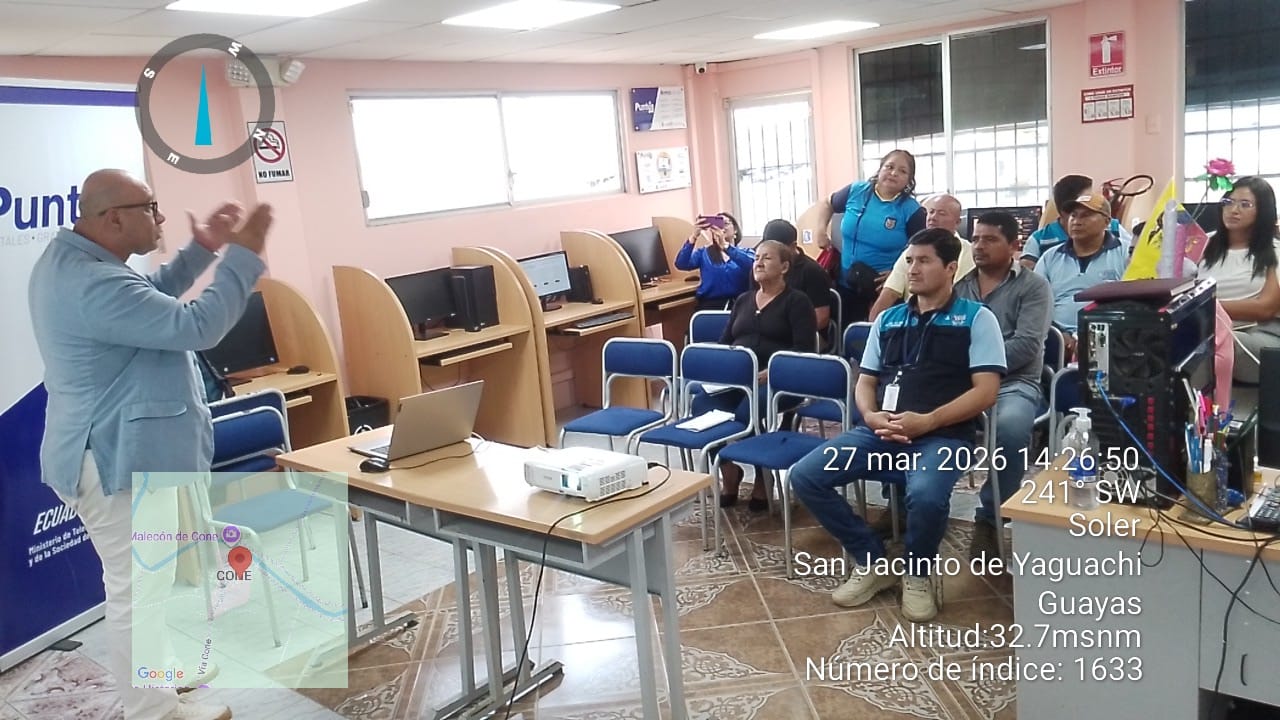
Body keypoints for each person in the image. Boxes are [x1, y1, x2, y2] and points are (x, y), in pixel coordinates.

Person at [28, 169, 272, 720]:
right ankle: (153, 710)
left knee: (145, 585)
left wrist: (203, 248)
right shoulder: (91, 281)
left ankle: (156, 675)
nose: (160, 217)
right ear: (114, 218)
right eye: (150, 206)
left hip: (117, 454)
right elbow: (197, 326)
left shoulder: (82, 265)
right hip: (113, 462)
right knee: (137, 592)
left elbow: (148, 299)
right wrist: (242, 257)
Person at [789, 228, 1005, 622]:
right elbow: (866, 382)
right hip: (882, 431)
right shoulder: (889, 319)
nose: (912, 269)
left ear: (951, 267)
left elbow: (986, 391)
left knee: (925, 495)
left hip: (943, 437)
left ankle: (918, 573)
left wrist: (929, 421)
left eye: (923, 261)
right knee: (806, 476)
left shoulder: (977, 319)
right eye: (909, 261)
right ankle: (872, 560)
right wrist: (871, 415)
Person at [954, 212, 1053, 560]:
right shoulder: (960, 286)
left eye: (990, 239)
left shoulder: (1033, 286)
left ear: (1014, 245)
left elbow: (1026, 345)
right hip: (961, 380)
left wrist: (977, 366)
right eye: (976, 239)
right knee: (907, 411)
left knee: (1010, 429)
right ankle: (906, 506)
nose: (979, 246)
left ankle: (990, 518)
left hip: (1014, 381)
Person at [698, 239, 816, 510]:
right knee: (702, 405)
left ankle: (763, 477)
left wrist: (770, 371)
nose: (758, 263)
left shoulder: (797, 301)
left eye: (767, 258)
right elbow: (725, 342)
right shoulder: (743, 300)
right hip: (739, 379)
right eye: (756, 258)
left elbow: (804, 350)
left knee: (746, 412)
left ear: (784, 267)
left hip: (780, 380)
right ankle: (729, 469)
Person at [813, 149, 927, 323]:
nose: (894, 173)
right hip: (846, 283)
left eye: (902, 171)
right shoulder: (857, 191)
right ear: (880, 169)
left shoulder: (912, 210)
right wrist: (820, 231)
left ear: (909, 180)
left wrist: (899, 273)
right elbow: (826, 203)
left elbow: (921, 249)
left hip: (884, 290)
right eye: (889, 167)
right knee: (848, 333)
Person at [1196, 176, 1280, 383]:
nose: (1233, 210)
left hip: (1259, 333)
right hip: (1207, 328)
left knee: (1206, 343)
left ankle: (1198, 404)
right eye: (1229, 202)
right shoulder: (1204, 245)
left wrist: (1206, 308)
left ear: (1263, 212)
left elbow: (1265, 308)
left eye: (1245, 204)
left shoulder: (1274, 252)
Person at [1034, 193, 1129, 360]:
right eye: (1073, 215)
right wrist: (1058, 334)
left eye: (1086, 215)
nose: (1076, 221)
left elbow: (1133, 303)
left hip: (1109, 336)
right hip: (1056, 337)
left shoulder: (1125, 253)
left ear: (1107, 222)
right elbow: (1035, 303)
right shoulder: (1050, 257)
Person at [868, 193, 974, 321]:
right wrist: (874, 327)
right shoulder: (911, 251)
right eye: (931, 212)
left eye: (941, 213)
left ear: (957, 222)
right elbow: (889, 293)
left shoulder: (971, 253)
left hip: (956, 320)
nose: (933, 217)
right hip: (912, 320)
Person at [760, 218, 832, 335]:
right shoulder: (761, 270)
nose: (768, 254)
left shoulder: (812, 272)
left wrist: (783, 332)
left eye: (776, 250)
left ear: (793, 246)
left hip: (799, 334)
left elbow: (821, 318)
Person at [675, 212, 753, 311]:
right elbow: (681, 264)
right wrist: (694, 236)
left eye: (725, 223)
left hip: (740, 305)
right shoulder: (704, 253)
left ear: (735, 230)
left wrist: (726, 247)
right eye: (718, 224)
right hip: (710, 305)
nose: (722, 228)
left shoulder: (746, 253)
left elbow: (752, 265)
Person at [1020, 174, 1094, 269]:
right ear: (1066, 211)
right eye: (1089, 202)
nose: (1096, 206)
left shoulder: (1110, 228)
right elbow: (1026, 272)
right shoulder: (1038, 240)